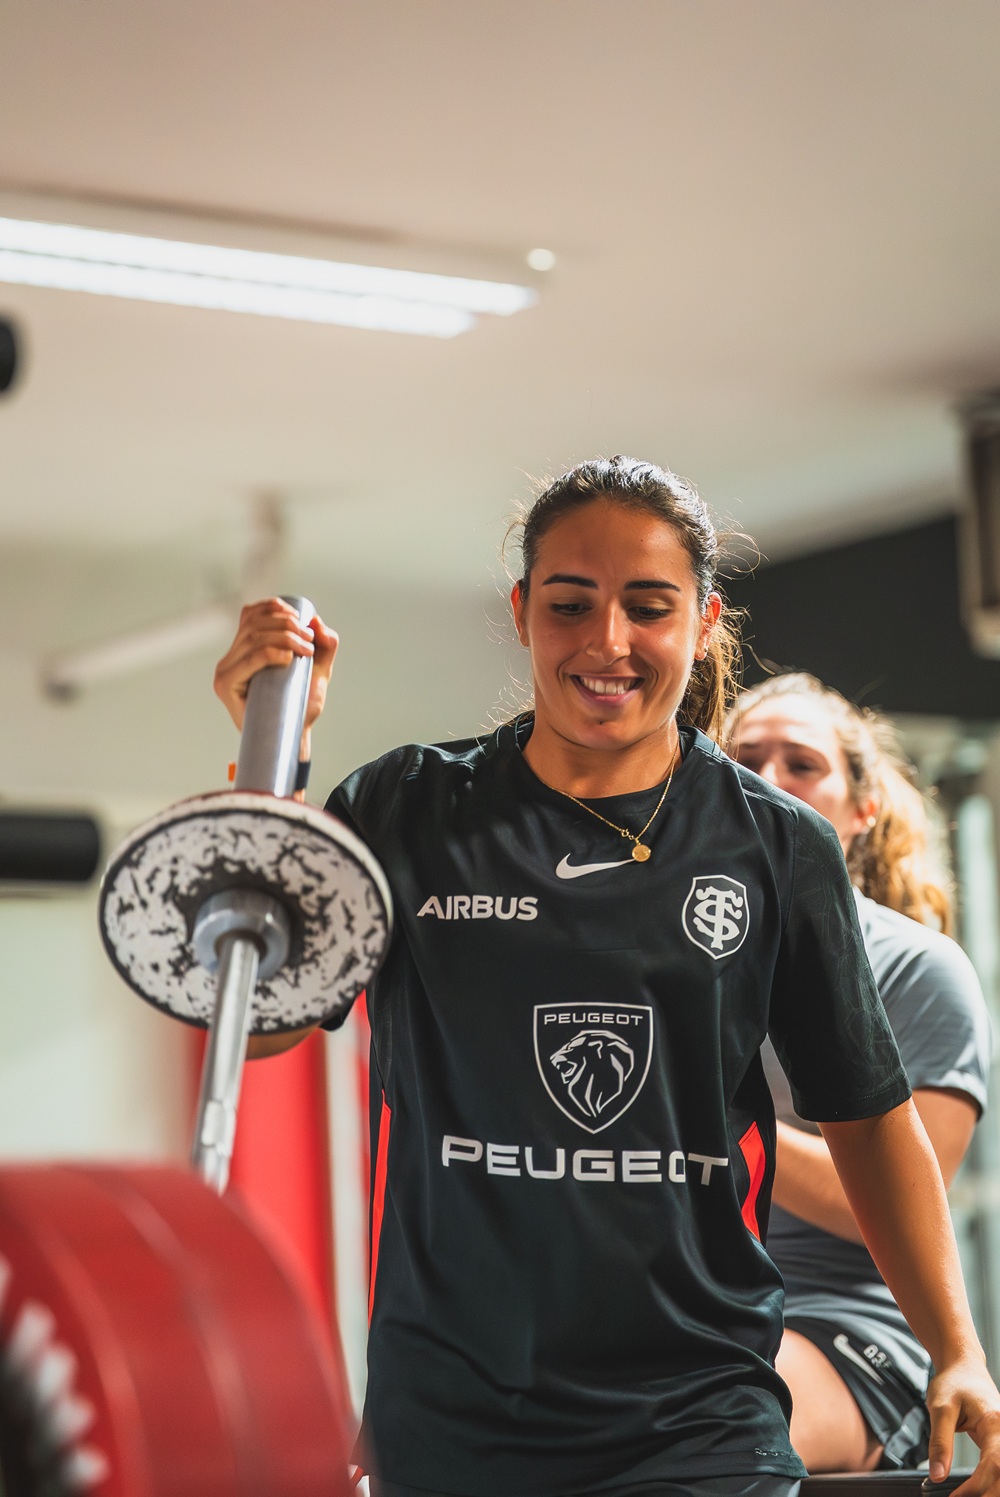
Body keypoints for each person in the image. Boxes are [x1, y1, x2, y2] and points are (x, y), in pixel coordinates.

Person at [214, 455, 1000, 1497]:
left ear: (704, 621)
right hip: (448, 1416)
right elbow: (257, 1022)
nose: (607, 642)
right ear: (522, 610)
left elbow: (867, 1119)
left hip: (697, 1422)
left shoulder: (776, 847)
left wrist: (958, 1346)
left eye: (648, 607)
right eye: (570, 604)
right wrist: (273, 770)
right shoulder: (406, 809)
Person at [724, 673, 992, 1474]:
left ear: (861, 809)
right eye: (745, 761)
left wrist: (698, 1120)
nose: (768, 783)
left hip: (849, 1325)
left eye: (802, 764)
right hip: (695, 1308)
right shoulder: (678, 955)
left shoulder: (919, 970)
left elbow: (872, 1200)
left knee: (716, 1430)